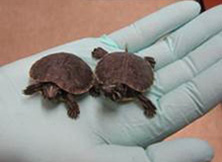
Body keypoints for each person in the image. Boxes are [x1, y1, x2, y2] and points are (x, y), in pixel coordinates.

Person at [0, 1, 221, 162]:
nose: (111, 95)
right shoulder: (96, 84)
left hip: (126, 65)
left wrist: (147, 103)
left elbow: (135, 92)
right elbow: (96, 85)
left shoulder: (131, 92)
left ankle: (143, 60)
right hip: (108, 63)